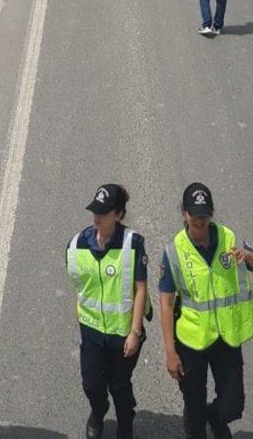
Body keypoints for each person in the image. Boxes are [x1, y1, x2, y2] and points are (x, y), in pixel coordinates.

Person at [160, 182, 253, 439]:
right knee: (194, 407)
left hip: (226, 337)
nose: (199, 220)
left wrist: (250, 258)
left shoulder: (231, 240)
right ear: (184, 213)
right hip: (192, 341)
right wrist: (170, 352)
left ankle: (217, 417)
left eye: (204, 214)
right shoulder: (174, 252)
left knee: (233, 404)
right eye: (194, 214)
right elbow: (166, 303)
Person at [66, 184, 149, 439]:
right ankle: (98, 410)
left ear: (119, 215)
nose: (97, 217)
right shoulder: (77, 244)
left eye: (104, 212)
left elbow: (140, 289)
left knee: (120, 386)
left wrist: (135, 332)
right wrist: (79, 315)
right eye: (95, 211)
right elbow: (78, 285)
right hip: (91, 331)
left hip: (123, 332)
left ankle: (125, 425)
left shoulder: (132, 243)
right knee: (92, 385)